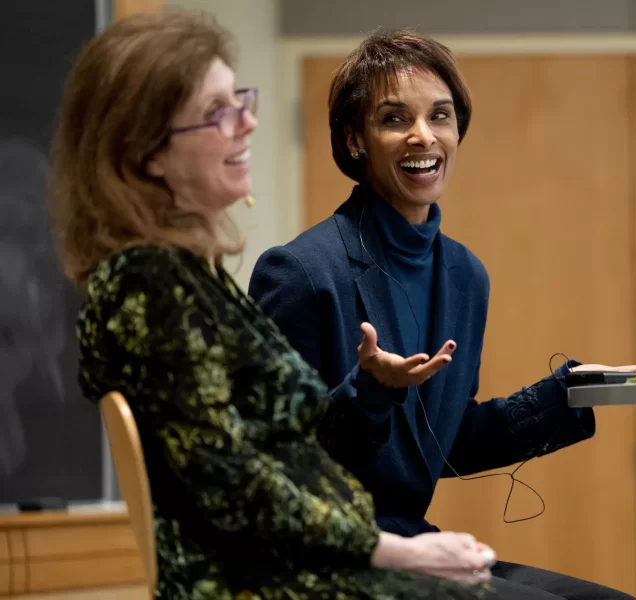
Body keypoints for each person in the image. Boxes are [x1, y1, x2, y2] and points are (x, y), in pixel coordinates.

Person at [51, 11, 502, 599]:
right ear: (147, 153)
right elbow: (231, 479)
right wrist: (400, 551)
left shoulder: (182, 274)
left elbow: (284, 445)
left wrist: (373, 389)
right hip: (275, 581)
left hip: (314, 564)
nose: (248, 123)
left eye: (239, 101)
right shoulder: (149, 285)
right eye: (216, 113)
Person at [249, 28, 636, 600]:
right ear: (354, 139)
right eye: (395, 119)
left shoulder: (465, 276)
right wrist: (370, 392)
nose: (423, 136)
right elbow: (276, 463)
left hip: (416, 545)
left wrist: (567, 394)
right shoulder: (300, 273)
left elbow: (446, 443)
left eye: (440, 116)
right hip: (331, 560)